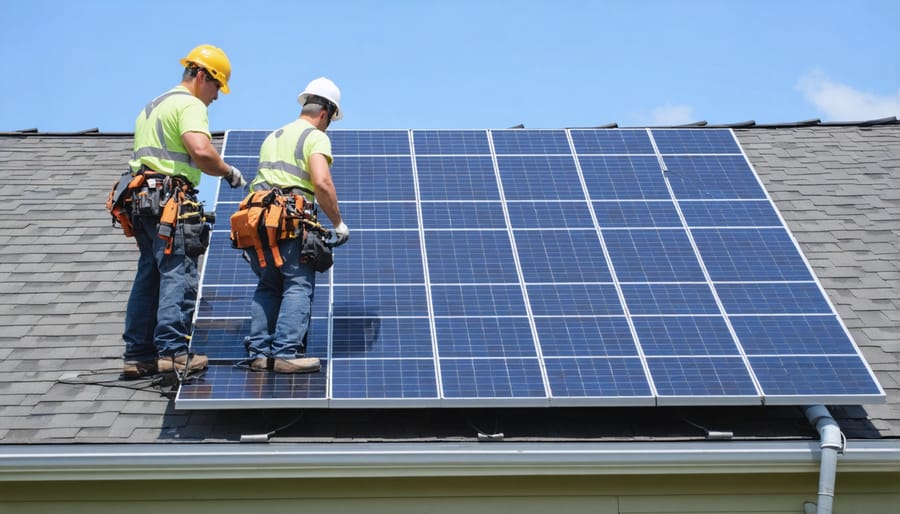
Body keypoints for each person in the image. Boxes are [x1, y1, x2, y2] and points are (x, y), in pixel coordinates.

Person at [122, 44, 247, 379]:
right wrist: (227, 171)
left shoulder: (152, 105)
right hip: (168, 202)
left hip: (142, 201)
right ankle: (174, 352)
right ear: (202, 75)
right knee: (179, 272)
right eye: (217, 86)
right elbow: (200, 150)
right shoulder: (189, 104)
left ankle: (138, 355)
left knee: (149, 275)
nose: (217, 97)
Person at [243, 77, 349, 373]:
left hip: (258, 224)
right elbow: (321, 182)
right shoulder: (315, 136)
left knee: (268, 285)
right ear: (325, 113)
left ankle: (259, 353)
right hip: (290, 222)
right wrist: (338, 223)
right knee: (297, 284)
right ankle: (287, 352)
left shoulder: (273, 136)